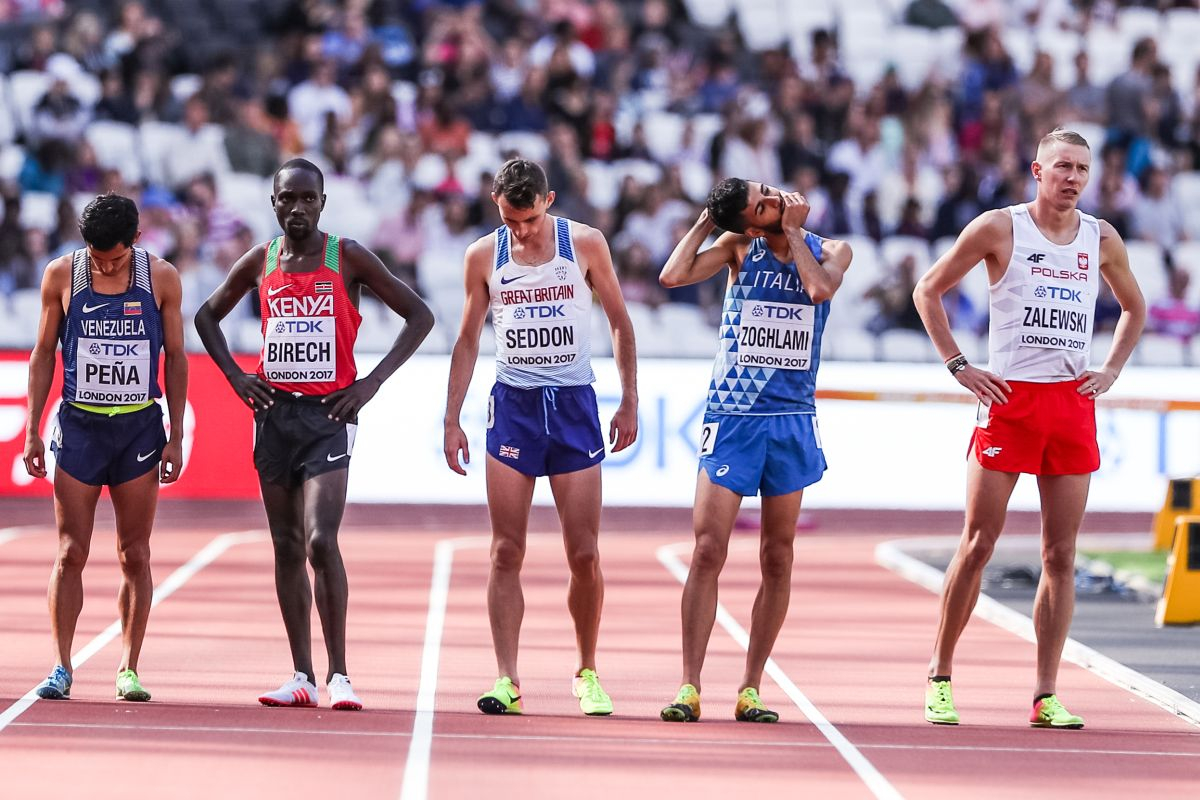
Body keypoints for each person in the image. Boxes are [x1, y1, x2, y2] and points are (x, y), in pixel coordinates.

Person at [912, 129, 1146, 729]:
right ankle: (940, 674)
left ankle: (1045, 693)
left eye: (1083, 170)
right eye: (1062, 167)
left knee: (1060, 555)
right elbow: (928, 290)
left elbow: (1134, 307)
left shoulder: (1102, 237)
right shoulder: (1000, 228)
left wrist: (1112, 368)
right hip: (1010, 400)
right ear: (1036, 170)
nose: (1072, 178)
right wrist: (960, 365)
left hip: (1070, 406)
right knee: (978, 543)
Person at [194, 158, 433, 711]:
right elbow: (207, 317)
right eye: (287, 199)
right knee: (285, 544)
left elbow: (418, 315)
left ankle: (340, 674)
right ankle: (300, 675)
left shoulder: (346, 256)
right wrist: (235, 376)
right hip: (274, 416)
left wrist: (369, 383)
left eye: (307, 198)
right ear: (273, 203)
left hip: (328, 417)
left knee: (322, 540)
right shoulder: (262, 259)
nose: (297, 208)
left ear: (322, 202)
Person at [443, 158, 638, 716]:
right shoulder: (484, 255)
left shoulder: (586, 245)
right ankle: (507, 678)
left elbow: (620, 323)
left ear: (548, 201)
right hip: (515, 407)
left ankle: (587, 671)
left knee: (584, 553)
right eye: (510, 221)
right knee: (506, 550)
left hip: (574, 404)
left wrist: (628, 400)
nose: (521, 232)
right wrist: (452, 417)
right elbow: (466, 339)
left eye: (528, 219)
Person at [657, 178, 853, 723]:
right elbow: (672, 275)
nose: (779, 199)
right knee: (706, 551)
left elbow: (819, 291)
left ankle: (750, 686)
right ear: (750, 225)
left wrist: (792, 234)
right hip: (734, 417)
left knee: (778, 555)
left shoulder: (833, 249)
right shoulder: (738, 249)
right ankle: (689, 687)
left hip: (790, 421)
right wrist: (706, 223)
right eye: (764, 204)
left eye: (770, 190)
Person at [24, 193, 188, 702]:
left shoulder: (160, 277)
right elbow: (42, 354)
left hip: (138, 429)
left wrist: (176, 435)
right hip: (80, 428)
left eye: (114, 258)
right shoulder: (63, 274)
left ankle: (128, 668)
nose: (104, 265)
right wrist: (32, 428)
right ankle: (60, 666)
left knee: (134, 554)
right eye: (96, 256)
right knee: (71, 550)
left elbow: (177, 358)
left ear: (136, 241)